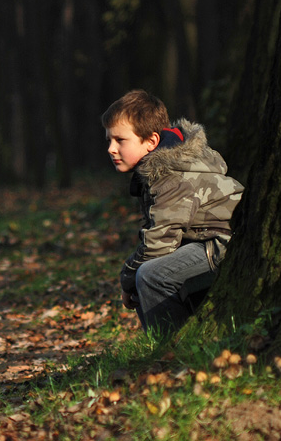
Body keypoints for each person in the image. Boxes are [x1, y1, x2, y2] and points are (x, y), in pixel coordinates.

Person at [101, 89, 244, 334]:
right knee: (148, 272)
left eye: (120, 140)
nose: (111, 149)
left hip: (224, 243)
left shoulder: (170, 177)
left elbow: (158, 245)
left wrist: (127, 281)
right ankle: (185, 338)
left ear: (152, 142)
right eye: (109, 141)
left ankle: (169, 351)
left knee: (150, 275)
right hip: (209, 239)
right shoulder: (165, 166)